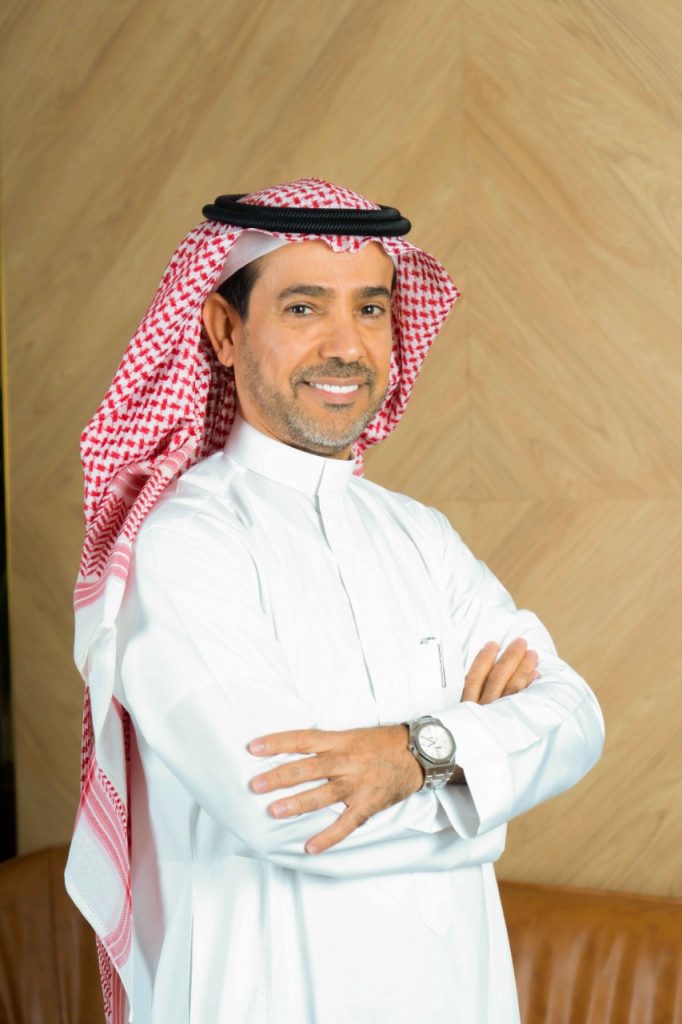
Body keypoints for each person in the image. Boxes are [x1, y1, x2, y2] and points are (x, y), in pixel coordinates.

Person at [65, 178, 604, 1024]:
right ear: (225, 330)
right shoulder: (181, 546)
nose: (347, 346)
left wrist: (413, 755)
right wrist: (482, 790)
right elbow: (283, 810)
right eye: (304, 308)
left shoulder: (420, 535)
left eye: (372, 309)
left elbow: (575, 717)